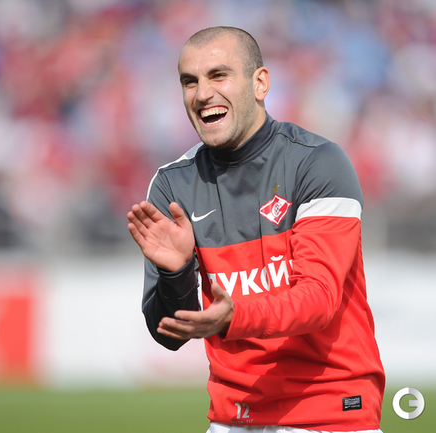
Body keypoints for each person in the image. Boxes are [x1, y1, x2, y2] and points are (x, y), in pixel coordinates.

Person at [127, 26, 385, 433]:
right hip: (232, 417)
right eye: (190, 81)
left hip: (329, 412)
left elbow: (319, 299)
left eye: (218, 75)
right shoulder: (172, 185)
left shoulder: (318, 163)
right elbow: (169, 335)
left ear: (260, 83)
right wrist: (176, 274)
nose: (202, 93)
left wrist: (235, 317)